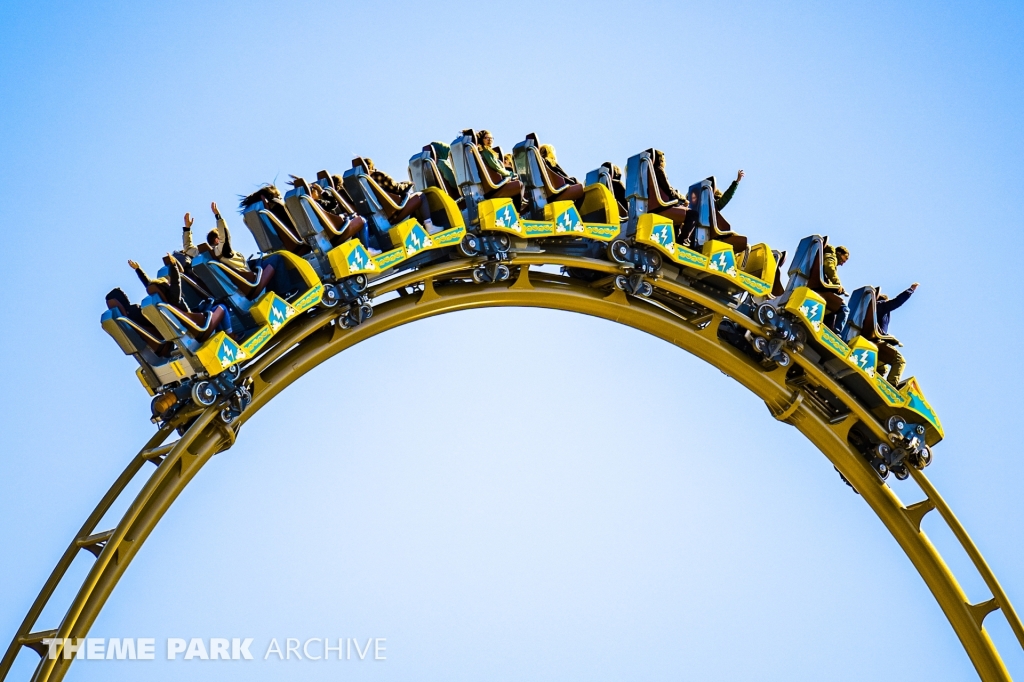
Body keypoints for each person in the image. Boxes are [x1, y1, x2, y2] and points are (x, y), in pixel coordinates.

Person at [207, 201, 288, 299]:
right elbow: (225, 235)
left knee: (261, 263)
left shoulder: (212, 256)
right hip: (251, 281)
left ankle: (274, 293)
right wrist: (218, 216)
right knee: (277, 258)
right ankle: (285, 292)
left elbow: (191, 251)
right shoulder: (220, 250)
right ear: (217, 240)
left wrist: (187, 230)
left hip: (244, 280)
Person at [876, 283, 919, 386]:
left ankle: (874, 385)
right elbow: (897, 301)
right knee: (899, 361)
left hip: (872, 340)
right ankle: (890, 386)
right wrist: (911, 290)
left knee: (882, 368)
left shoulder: (867, 309)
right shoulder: (881, 306)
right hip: (876, 341)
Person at [823, 244, 850, 333]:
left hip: (823, 288)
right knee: (844, 309)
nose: (842, 264)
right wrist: (838, 284)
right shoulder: (831, 257)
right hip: (822, 289)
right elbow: (829, 268)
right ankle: (836, 334)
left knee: (831, 313)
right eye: (843, 260)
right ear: (839, 253)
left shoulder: (827, 256)